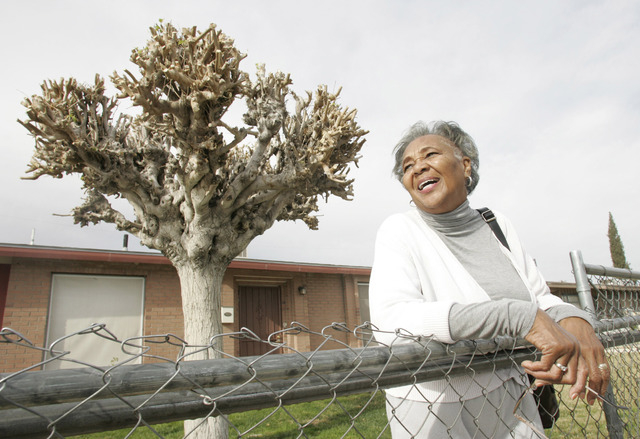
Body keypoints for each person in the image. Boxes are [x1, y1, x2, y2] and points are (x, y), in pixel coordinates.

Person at [369, 121, 610, 438]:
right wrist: (514, 316)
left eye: (430, 155)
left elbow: (537, 297)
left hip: (513, 390)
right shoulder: (399, 229)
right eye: (407, 166)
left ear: (465, 165)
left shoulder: (496, 224)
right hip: (432, 404)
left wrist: (574, 319)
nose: (418, 168)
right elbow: (391, 320)